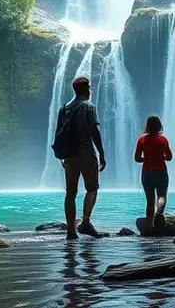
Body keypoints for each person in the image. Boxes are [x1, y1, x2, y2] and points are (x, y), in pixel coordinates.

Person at [57, 76, 106, 240]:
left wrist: (61, 155)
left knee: (70, 193)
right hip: (86, 154)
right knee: (92, 188)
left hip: (69, 156)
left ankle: (70, 230)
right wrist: (102, 154)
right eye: (89, 88)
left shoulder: (64, 108)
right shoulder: (88, 107)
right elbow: (94, 132)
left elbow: (58, 133)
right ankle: (85, 221)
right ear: (86, 90)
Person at [134, 115, 173, 230]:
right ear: (159, 125)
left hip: (147, 172)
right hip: (161, 171)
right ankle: (159, 213)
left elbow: (137, 158)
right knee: (161, 196)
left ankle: (150, 226)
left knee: (150, 200)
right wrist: (162, 157)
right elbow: (170, 157)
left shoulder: (142, 140)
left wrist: (145, 159)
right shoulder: (163, 140)